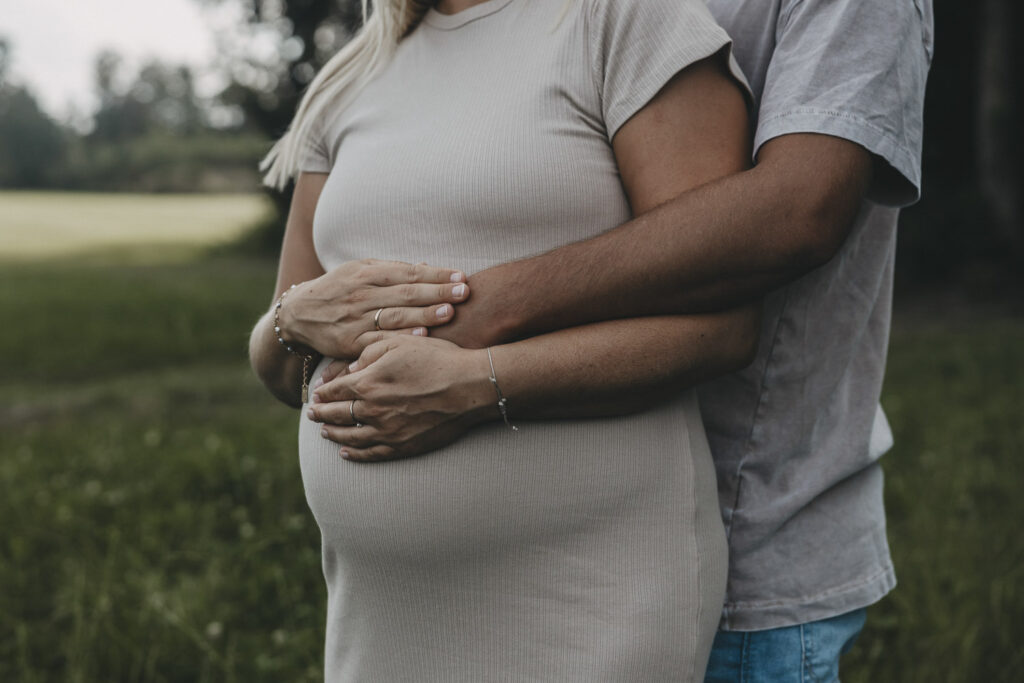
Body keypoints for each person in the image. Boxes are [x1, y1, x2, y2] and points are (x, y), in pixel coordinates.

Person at [294, 0, 935, 680]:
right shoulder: (396, 56)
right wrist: (293, 323)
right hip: (411, 607)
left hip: (743, 547)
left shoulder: (637, 20)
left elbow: (799, 211)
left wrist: (471, 317)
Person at [249, 0, 759, 679]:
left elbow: (720, 328)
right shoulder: (352, 73)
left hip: (590, 593)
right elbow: (280, 362)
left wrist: (479, 385)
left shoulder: (626, 20)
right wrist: (292, 318)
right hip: (382, 621)